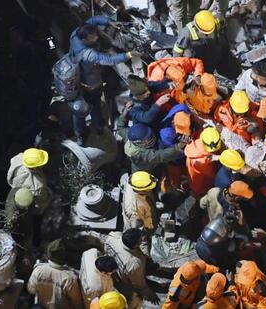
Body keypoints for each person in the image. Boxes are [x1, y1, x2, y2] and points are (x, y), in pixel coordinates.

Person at [69, 15, 139, 145]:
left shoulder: (76, 34)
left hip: (77, 78)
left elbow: (94, 20)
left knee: (79, 108)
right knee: (92, 105)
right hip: (89, 84)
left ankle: (82, 131)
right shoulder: (88, 54)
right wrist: (128, 55)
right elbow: (109, 60)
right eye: (93, 37)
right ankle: (97, 128)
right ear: (84, 39)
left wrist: (110, 22)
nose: (96, 37)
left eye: (96, 34)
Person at [173, 10, 241, 79]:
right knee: (206, 72)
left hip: (215, 45)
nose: (208, 34)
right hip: (201, 51)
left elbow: (223, 25)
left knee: (227, 60)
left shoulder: (214, 19)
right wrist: (178, 67)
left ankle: (233, 72)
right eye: (205, 33)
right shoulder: (187, 33)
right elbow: (177, 50)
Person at [104, 229, 159, 307]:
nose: (142, 240)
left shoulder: (113, 236)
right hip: (126, 278)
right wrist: (149, 293)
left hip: (116, 267)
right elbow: (138, 283)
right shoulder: (134, 263)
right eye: (140, 240)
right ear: (135, 246)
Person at [27, 240, 83, 308]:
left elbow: (31, 289)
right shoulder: (70, 278)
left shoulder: (38, 270)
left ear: (48, 255)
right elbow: (77, 304)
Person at [122, 171, 158, 255]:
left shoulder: (134, 181)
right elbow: (141, 237)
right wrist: (146, 256)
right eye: (149, 189)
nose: (151, 189)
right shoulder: (135, 212)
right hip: (140, 224)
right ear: (142, 191)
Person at [7, 148, 51, 215]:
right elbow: (42, 202)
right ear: (35, 166)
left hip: (15, 188)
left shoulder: (18, 157)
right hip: (27, 199)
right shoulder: (38, 185)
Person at [4, 188, 35, 276]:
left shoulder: (17, 191)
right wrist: (25, 251)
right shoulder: (12, 217)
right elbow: (27, 231)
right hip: (16, 229)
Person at [185, 126, 222, 197]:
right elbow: (213, 174)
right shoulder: (202, 161)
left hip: (194, 179)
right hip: (201, 185)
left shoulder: (199, 139)